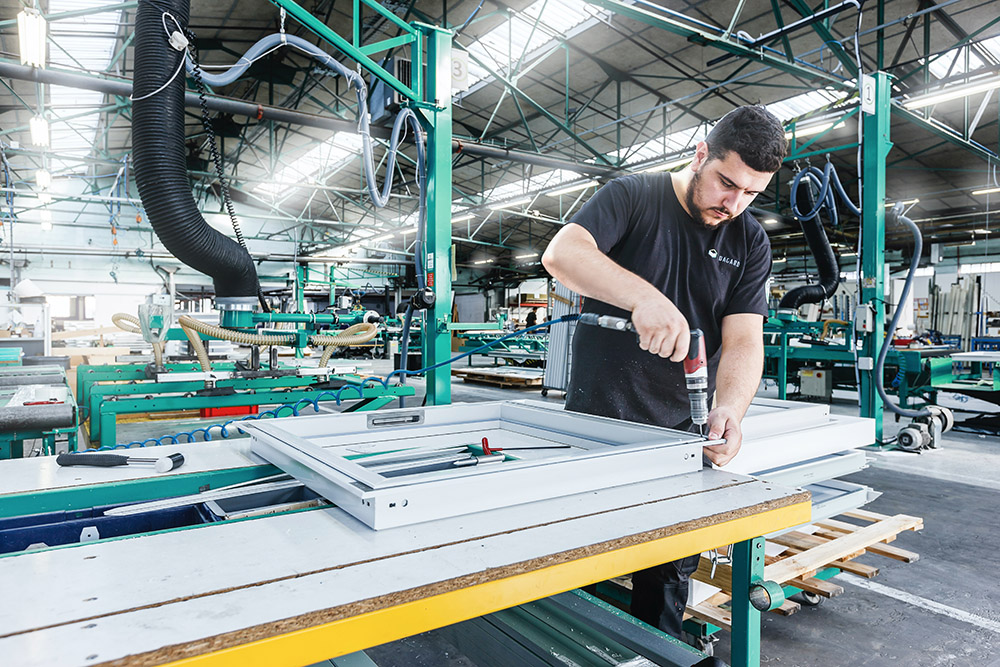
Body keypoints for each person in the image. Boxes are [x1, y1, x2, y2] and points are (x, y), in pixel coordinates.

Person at [540, 104, 787, 640]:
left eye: (751, 194)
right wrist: (642, 298)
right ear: (700, 155)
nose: (735, 203)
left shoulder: (749, 240)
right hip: (597, 427)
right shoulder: (634, 196)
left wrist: (730, 410)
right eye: (727, 183)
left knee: (667, 574)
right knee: (575, 568)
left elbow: (744, 339)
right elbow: (562, 254)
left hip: (682, 432)